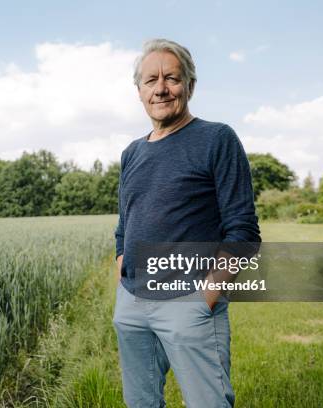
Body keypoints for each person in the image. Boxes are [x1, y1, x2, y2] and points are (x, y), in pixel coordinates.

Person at [113, 38, 261, 408]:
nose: (161, 88)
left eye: (172, 78)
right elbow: (124, 224)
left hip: (188, 303)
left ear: (190, 85)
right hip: (132, 303)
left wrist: (204, 297)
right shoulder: (132, 152)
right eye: (151, 80)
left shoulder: (216, 138)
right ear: (139, 91)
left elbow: (243, 231)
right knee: (141, 403)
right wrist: (122, 268)